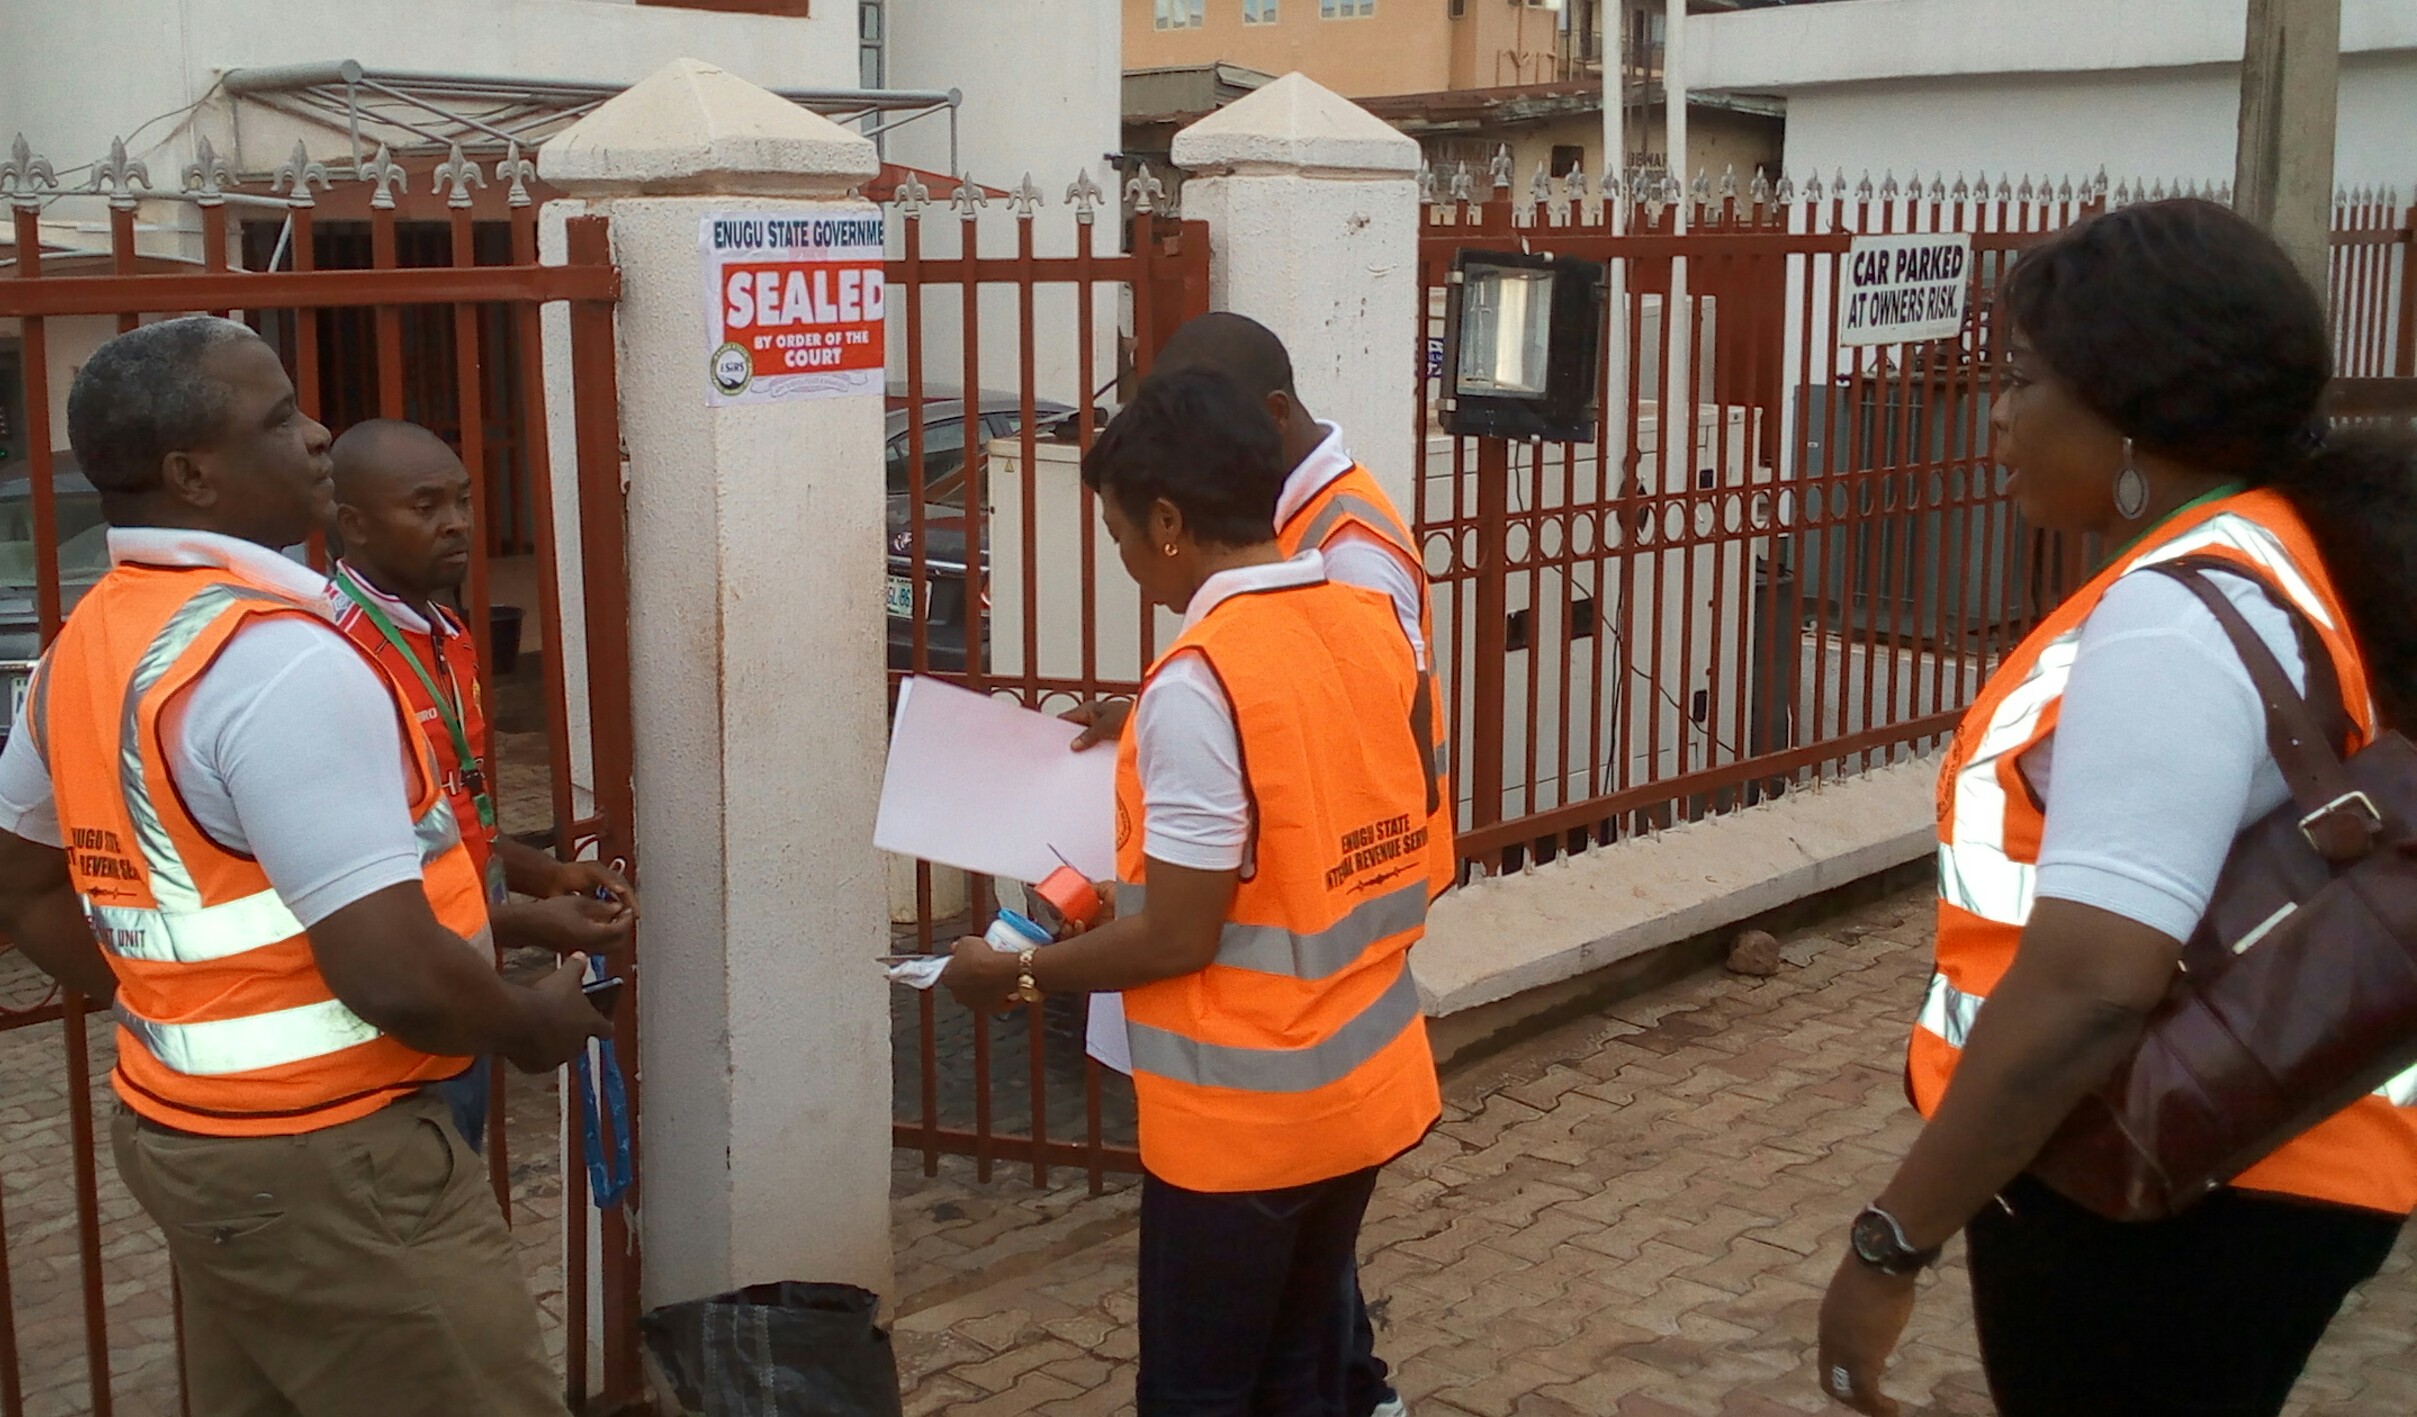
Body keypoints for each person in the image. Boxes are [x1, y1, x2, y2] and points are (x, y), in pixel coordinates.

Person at [1814, 200, 2417, 1417]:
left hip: (2151, 1169)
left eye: (2022, 378)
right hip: (2270, 1143)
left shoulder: (2176, 615)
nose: (1994, 411)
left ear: (2134, 407)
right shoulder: (2290, 547)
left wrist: (1890, 1245)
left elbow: (2091, 987)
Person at [0, 316, 609, 1417]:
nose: (318, 434)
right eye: (279, 416)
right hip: (337, 1166)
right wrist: (533, 1027)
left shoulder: (84, 645)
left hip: (191, 1138)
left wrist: (181, 1018)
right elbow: (392, 974)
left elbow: (28, 889)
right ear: (194, 475)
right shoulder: (272, 659)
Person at [944, 367, 1441, 1416]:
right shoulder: (1362, 622)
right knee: (1304, 1374)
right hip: (1363, 1090)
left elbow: (1175, 934)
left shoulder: (1201, 679)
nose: (1123, 560)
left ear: (1168, 522)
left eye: (1121, 534)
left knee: (1200, 1394)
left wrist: (1017, 972)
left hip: (1243, 1126)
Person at [327, 418, 637, 1152]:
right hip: (380, 1041)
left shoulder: (442, 628)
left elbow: (452, 820)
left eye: (462, 500)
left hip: (453, 1007)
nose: (457, 522)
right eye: (426, 505)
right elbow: (366, 897)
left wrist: (548, 873)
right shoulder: (336, 657)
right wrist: (532, 925)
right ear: (354, 524)